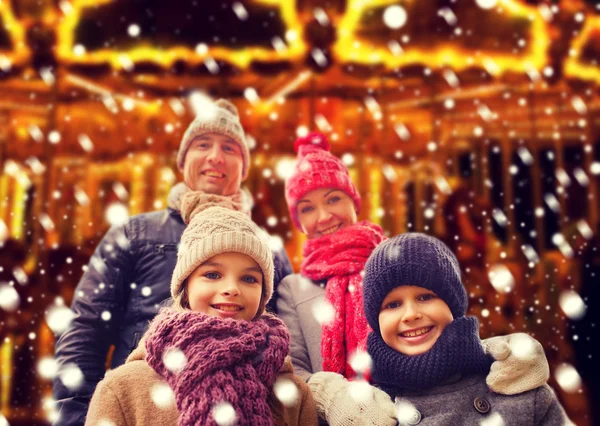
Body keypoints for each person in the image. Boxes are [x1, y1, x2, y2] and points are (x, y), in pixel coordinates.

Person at [276, 132, 552, 425]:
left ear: (354, 201)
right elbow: (296, 373)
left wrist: (503, 355)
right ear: (298, 221)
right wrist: (333, 397)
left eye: (333, 199)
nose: (323, 216)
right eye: (307, 208)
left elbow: (445, 332)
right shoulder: (293, 289)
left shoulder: (395, 261)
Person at [53, 99, 293, 426]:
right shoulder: (135, 234)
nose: (214, 156)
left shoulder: (269, 250)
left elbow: (286, 341)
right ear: (182, 161)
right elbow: (86, 329)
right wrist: (80, 417)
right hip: (148, 408)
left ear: (243, 168)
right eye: (202, 144)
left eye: (229, 148)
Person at [85, 205, 318, 426]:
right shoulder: (123, 389)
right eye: (213, 274)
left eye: (248, 278)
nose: (232, 288)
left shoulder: (293, 394)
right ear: (186, 287)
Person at [357, 233, 571, 425]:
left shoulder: (517, 389)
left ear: (453, 305)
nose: (411, 314)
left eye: (425, 297)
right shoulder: (368, 412)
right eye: (393, 305)